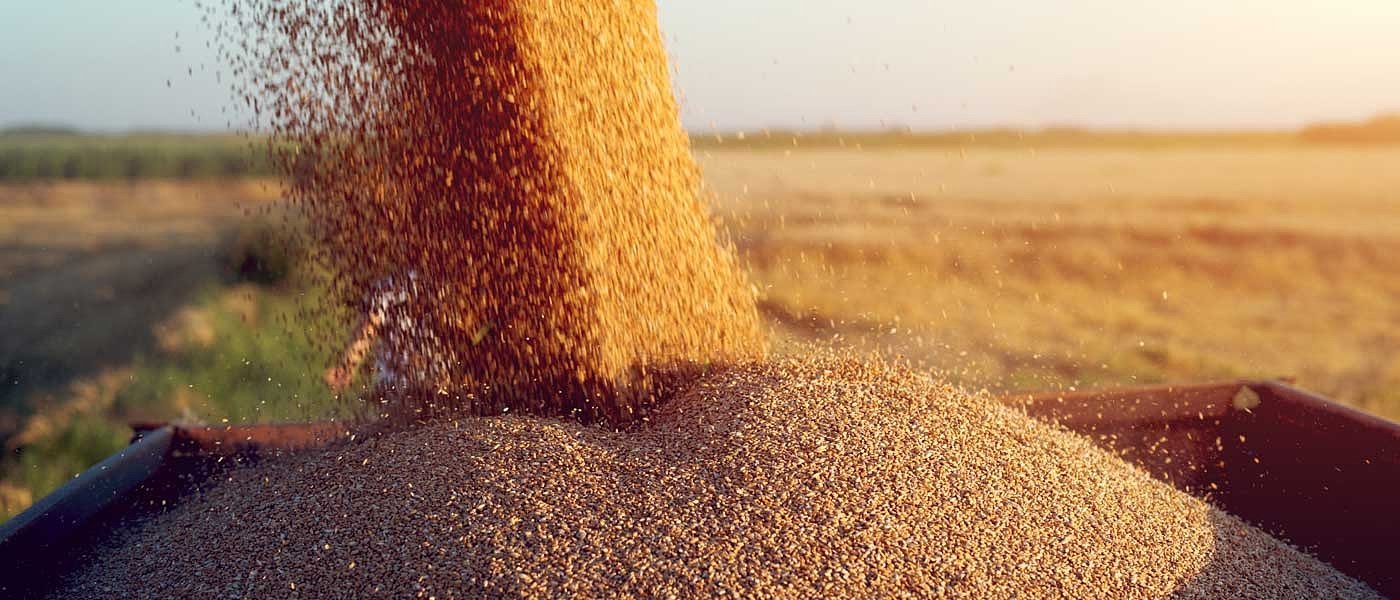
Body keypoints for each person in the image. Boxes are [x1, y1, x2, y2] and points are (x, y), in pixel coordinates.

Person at [324, 270, 454, 420]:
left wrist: (347, 366)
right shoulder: (449, 283)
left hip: (397, 380)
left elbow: (367, 330)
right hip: (439, 379)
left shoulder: (388, 286)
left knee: (397, 426)